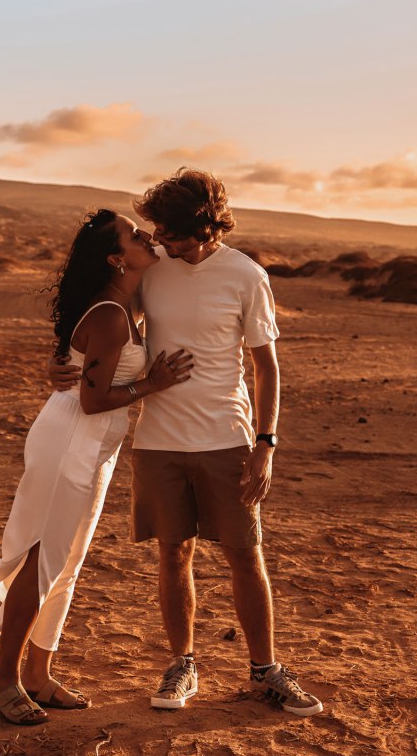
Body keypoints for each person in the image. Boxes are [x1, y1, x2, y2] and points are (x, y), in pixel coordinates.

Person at [51, 172, 323, 717]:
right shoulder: (153, 272)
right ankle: (183, 664)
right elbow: (100, 315)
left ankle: (265, 670)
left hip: (227, 438)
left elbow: (265, 366)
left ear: (204, 226)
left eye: (171, 234)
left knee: (246, 554)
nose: (161, 243)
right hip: (158, 440)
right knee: (174, 553)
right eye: (157, 233)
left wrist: (266, 444)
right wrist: (66, 361)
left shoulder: (246, 275)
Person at [0, 209, 192, 726]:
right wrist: (154, 384)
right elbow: (94, 399)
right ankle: (2, 677)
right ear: (117, 258)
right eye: (135, 234)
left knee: (67, 562)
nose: (148, 237)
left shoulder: (126, 304)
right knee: (43, 559)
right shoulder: (111, 314)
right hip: (73, 438)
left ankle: (37, 673)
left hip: (94, 444)